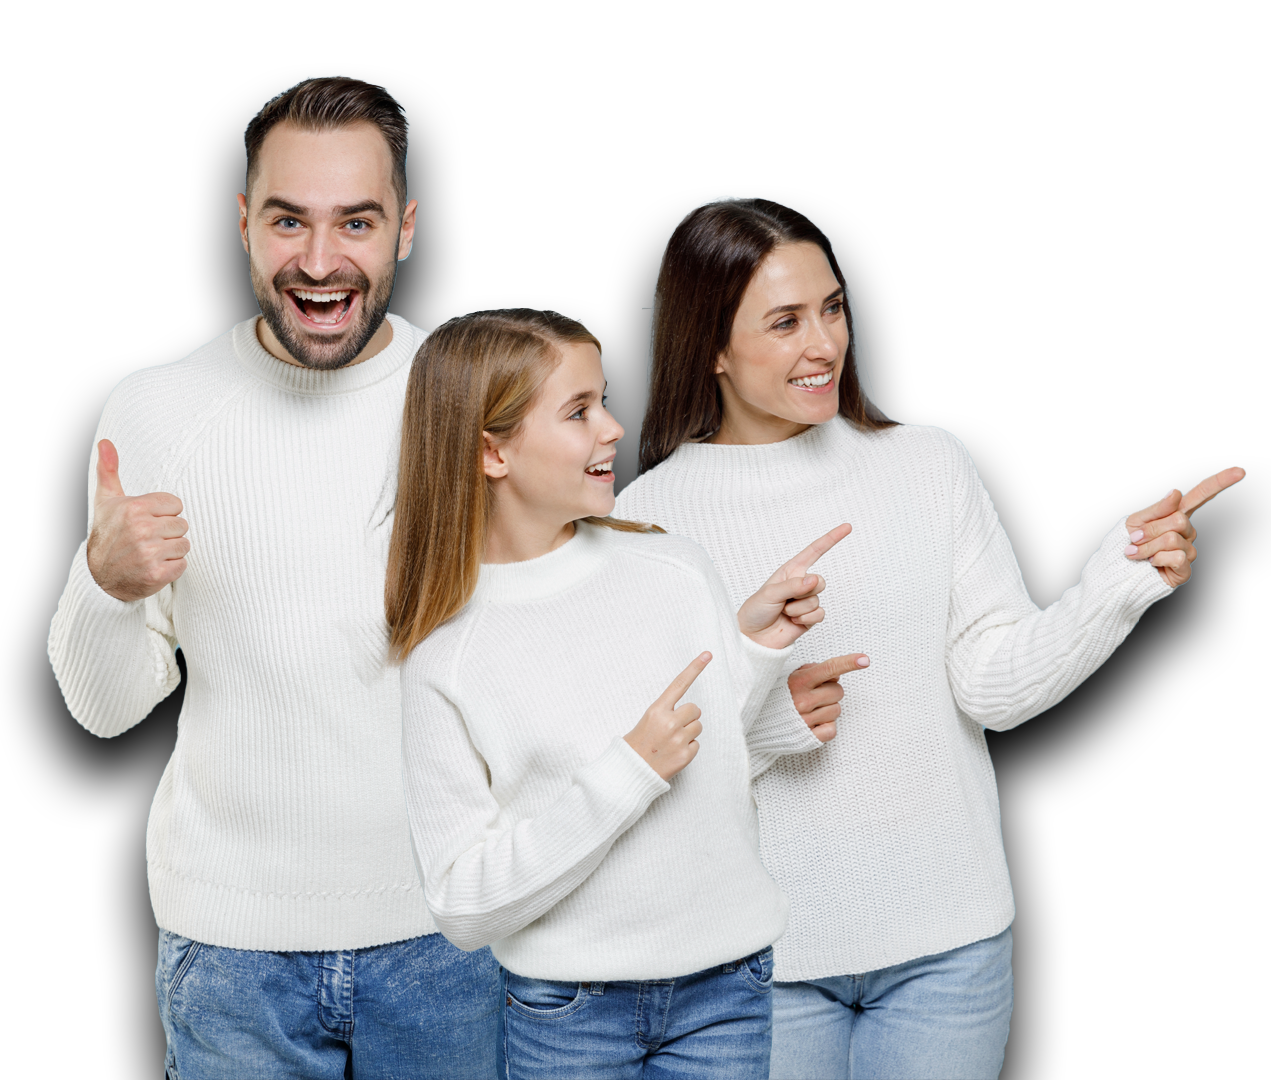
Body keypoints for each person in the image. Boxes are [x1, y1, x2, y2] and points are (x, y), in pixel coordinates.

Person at [612, 195, 1246, 1080]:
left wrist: (1114, 584)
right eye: (784, 321)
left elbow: (992, 686)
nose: (823, 344)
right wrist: (765, 723)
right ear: (710, 344)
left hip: (950, 946)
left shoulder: (930, 462)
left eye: (832, 308)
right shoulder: (642, 522)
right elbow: (630, 773)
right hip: (753, 963)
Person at [47, 74, 501, 1079]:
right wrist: (104, 582)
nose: (320, 260)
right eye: (289, 220)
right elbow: (105, 711)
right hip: (230, 950)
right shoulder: (153, 409)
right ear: (244, 222)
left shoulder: (474, 404)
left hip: (447, 937)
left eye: (357, 222)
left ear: (407, 230)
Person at [386, 307, 855, 1079]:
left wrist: (753, 647)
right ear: (489, 450)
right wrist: (624, 775)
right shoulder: (447, 655)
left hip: (727, 987)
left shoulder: (673, 566)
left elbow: (711, 757)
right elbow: (463, 906)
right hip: (568, 1013)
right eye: (578, 412)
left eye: (602, 402)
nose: (612, 428)